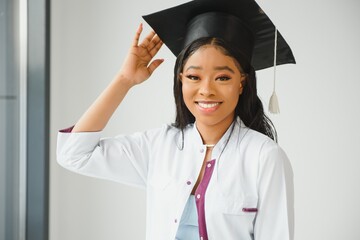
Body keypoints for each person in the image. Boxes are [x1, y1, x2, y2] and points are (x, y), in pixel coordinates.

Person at [57, 0, 295, 239]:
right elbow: (74, 154)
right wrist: (124, 80)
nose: (206, 90)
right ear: (181, 78)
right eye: (194, 76)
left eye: (222, 77)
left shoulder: (264, 157)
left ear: (242, 82)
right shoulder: (159, 146)